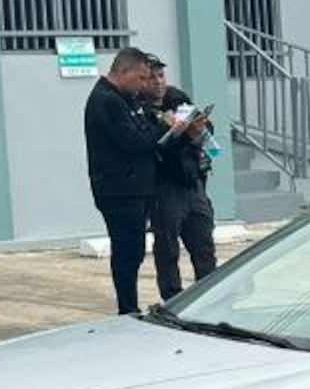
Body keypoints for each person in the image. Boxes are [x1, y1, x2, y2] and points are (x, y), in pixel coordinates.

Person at [83, 48, 194, 316]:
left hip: (138, 188)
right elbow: (135, 141)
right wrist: (166, 127)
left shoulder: (127, 99)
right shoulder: (106, 100)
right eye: (141, 78)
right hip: (120, 190)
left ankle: (130, 305)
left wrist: (168, 129)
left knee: (134, 250)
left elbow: (146, 132)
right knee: (127, 251)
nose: (145, 84)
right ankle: (128, 307)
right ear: (124, 72)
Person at [143, 57, 220, 300]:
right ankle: (172, 298)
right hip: (165, 185)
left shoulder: (177, 98)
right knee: (167, 247)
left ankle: (208, 296)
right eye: (152, 77)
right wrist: (171, 132)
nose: (158, 82)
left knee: (204, 243)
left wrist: (200, 131)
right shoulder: (140, 107)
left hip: (193, 181)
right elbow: (151, 146)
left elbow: (203, 129)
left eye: (161, 76)